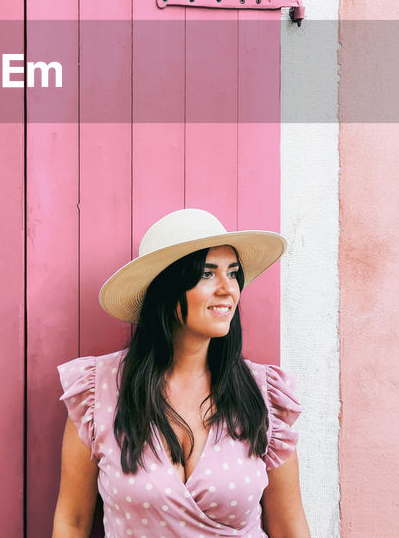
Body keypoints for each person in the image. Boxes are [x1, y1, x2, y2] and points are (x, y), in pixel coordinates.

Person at [51, 208, 313, 538]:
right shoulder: (97, 391)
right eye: (207, 274)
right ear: (167, 288)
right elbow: (72, 521)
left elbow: (289, 527)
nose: (227, 289)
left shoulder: (265, 395)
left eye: (233, 274)